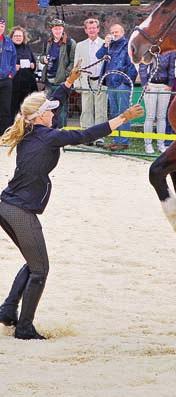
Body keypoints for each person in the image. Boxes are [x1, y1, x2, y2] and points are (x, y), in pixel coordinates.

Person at [0, 65, 144, 340]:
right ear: (41, 117)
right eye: (50, 111)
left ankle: (7, 310)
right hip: (19, 211)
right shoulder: (50, 136)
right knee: (40, 269)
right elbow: (85, 135)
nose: (54, 113)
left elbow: (49, 101)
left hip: (6, 207)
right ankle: (25, 328)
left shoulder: (32, 129)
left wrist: (68, 83)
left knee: (33, 262)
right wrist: (122, 118)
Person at [96, 23, 137, 151]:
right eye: (112, 32)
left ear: (122, 32)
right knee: (114, 113)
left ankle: (123, 140)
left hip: (122, 84)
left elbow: (133, 66)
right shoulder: (110, 45)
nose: (114, 34)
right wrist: (105, 44)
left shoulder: (128, 45)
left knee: (124, 112)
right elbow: (98, 56)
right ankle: (116, 139)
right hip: (110, 83)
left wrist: (125, 81)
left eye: (116, 32)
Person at [73, 18, 107, 147]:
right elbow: (77, 65)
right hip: (85, 80)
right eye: (89, 28)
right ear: (86, 30)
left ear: (98, 29)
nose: (92, 30)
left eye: (94, 28)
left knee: (101, 109)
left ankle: (99, 137)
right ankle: (87, 136)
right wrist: (76, 83)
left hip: (101, 80)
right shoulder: (80, 45)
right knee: (86, 109)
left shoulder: (105, 44)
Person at [40, 19, 76, 129]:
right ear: (51, 29)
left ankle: (61, 131)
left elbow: (73, 61)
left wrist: (65, 74)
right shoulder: (48, 42)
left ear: (63, 29)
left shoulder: (70, 43)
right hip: (49, 80)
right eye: (55, 28)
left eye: (59, 28)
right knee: (49, 107)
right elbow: (42, 56)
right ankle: (50, 130)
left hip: (62, 81)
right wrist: (43, 59)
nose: (57, 30)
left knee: (62, 108)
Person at [139, 50, 176, 154]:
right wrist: (144, 83)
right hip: (150, 85)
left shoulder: (170, 51)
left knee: (162, 117)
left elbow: (172, 67)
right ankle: (148, 144)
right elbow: (143, 66)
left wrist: (170, 84)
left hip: (164, 86)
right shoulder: (148, 49)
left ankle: (161, 144)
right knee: (150, 116)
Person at [10, 26, 38, 119]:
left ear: (23, 37)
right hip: (13, 85)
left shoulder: (27, 47)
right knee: (14, 109)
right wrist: (13, 68)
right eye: (16, 36)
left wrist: (33, 65)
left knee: (28, 109)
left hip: (28, 84)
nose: (18, 37)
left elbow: (34, 62)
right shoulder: (8, 48)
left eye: (20, 36)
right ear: (12, 37)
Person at [0, 17, 17, 135]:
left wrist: (11, 74)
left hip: (6, 80)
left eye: (2, 26)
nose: (0, 28)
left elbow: (14, 60)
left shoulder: (8, 42)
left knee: (5, 108)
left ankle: (4, 133)